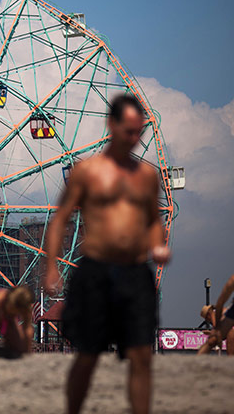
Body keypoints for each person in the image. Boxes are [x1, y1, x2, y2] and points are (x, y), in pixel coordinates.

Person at [43, 95, 171, 414]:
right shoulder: (87, 172)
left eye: (139, 133)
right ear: (111, 125)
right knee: (88, 355)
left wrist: (159, 245)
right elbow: (60, 219)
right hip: (96, 271)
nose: (135, 139)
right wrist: (51, 268)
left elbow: (155, 222)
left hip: (135, 271)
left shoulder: (147, 176)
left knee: (141, 355)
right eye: (128, 131)